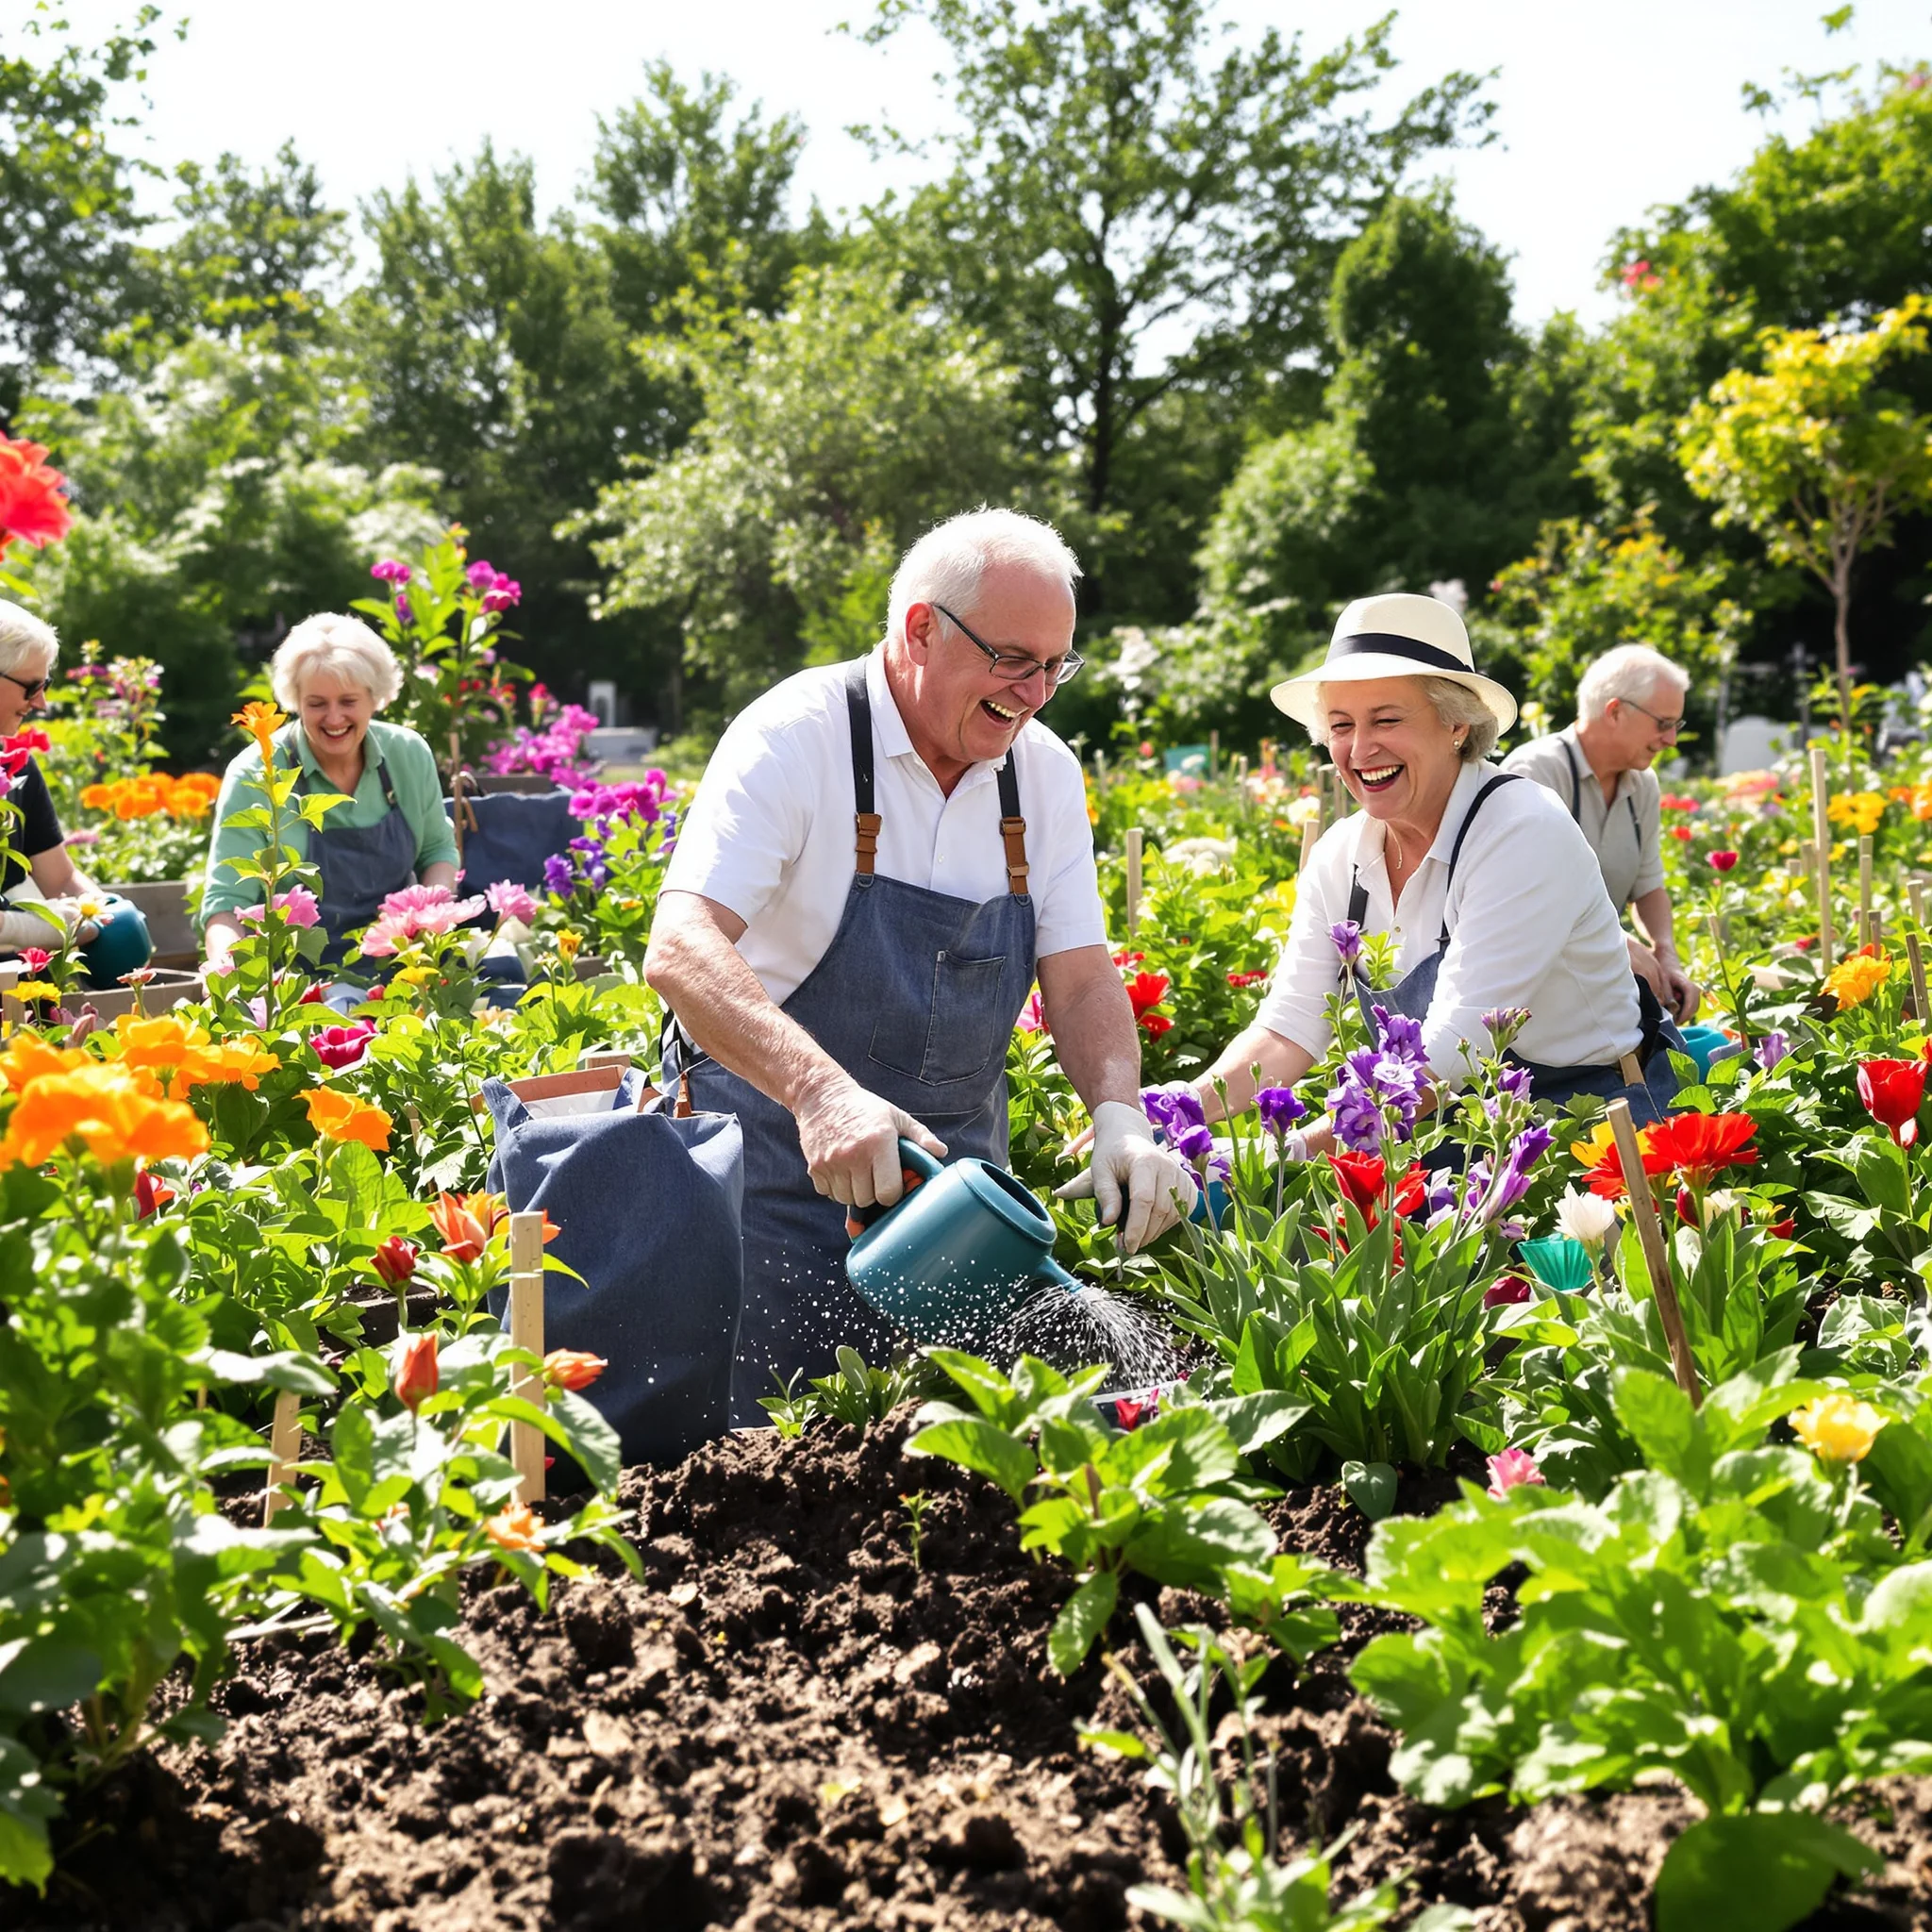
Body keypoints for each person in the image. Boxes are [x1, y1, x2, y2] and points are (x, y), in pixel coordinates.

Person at [644, 508, 1197, 1422]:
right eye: (1012, 659)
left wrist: (1119, 1117)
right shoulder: (800, 735)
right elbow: (681, 944)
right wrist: (822, 1095)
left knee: (967, 1465)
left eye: (1055, 666)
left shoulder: (1043, 775)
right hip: (778, 1181)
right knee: (776, 1457)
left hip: (957, 1203)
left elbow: (1081, 976)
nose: (1035, 692)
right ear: (920, 630)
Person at [1165, 593, 1681, 1148]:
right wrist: (1172, 1117)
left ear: (1456, 723)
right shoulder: (1342, 856)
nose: (1360, 749)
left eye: (1387, 719)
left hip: (1591, 1127)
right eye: (1341, 726)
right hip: (1445, 1130)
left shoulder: (1521, 829)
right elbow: (1288, 1028)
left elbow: (1456, 1046)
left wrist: (1278, 1156)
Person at [200, 614, 458, 971]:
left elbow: (437, 851)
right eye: (317, 704)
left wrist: (428, 926)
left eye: (348, 701)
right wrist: (226, 973)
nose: (334, 718)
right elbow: (227, 901)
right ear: (296, 700)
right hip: (295, 982)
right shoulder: (256, 774)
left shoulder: (408, 754)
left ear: (374, 697)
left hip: (403, 966)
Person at [1502, 643, 1699, 1022]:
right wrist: (1617, 944)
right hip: (1534, 997)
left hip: (1597, 987)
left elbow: (1648, 887)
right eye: (1663, 724)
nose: (1671, 740)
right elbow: (1527, 896)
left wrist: (1666, 954)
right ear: (1615, 711)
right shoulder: (1535, 773)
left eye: (1676, 726)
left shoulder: (1642, 784)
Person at [0, 600, 139, 968]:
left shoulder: (14, 766)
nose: (41, 703)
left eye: (45, 685)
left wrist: (103, 912)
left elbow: (60, 878)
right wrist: (44, 927)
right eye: (32, 687)